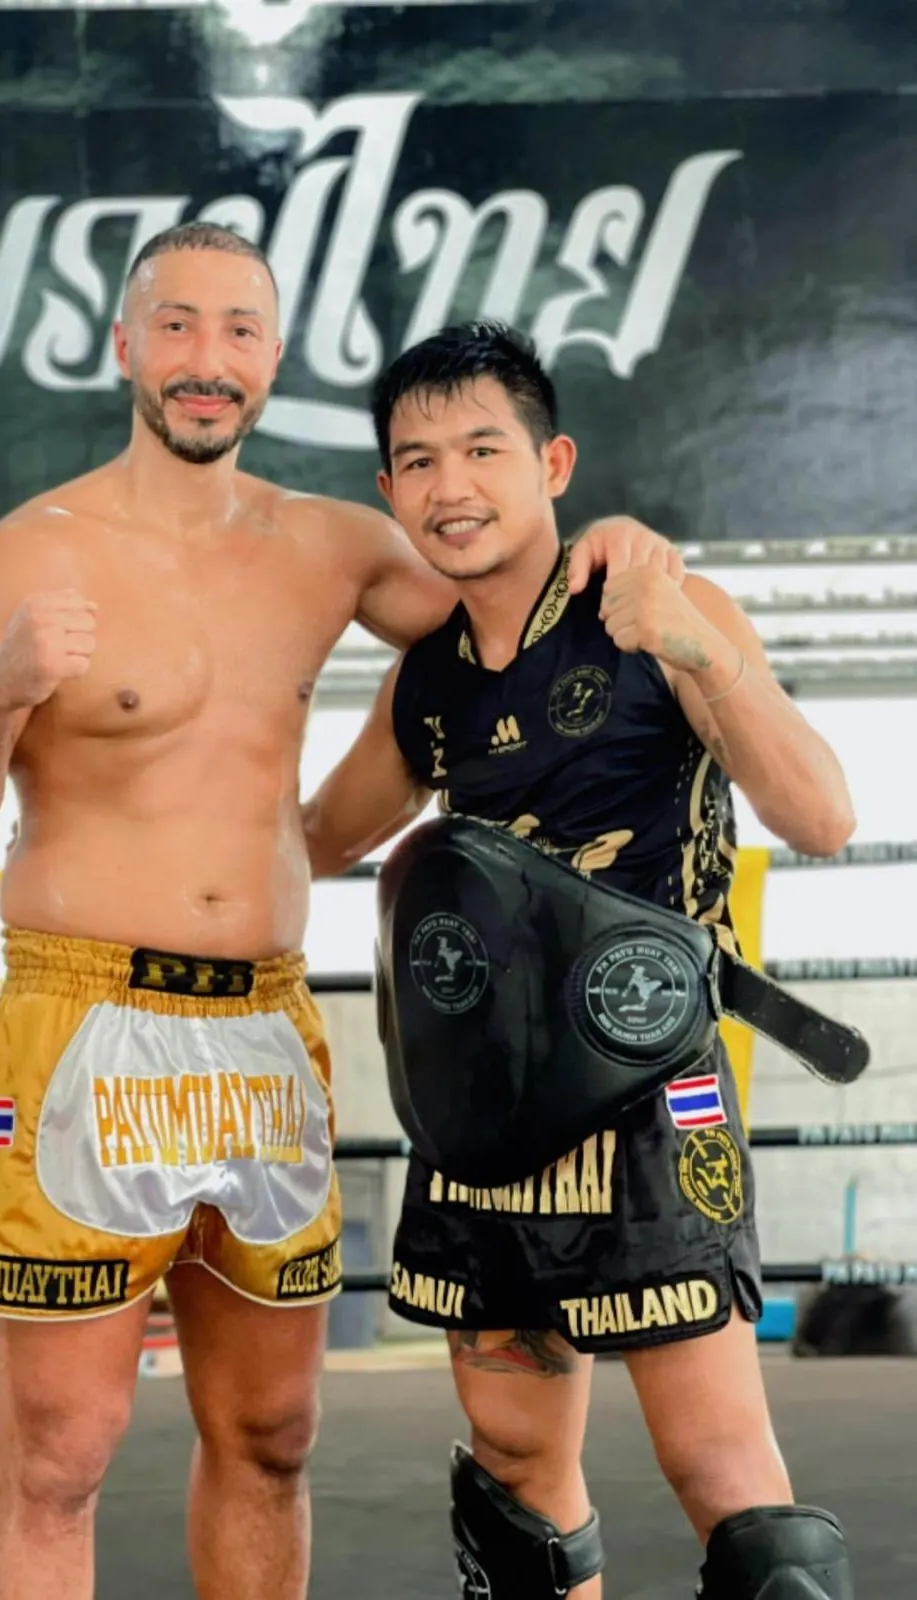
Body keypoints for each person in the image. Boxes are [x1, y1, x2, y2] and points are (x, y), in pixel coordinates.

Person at [0, 224, 685, 1600]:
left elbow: (509, 604)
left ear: (272, 358)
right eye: (179, 327)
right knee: (59, 1450)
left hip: (264, 1030)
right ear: (127, 346)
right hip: (84, 1019)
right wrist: (2, 684)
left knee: (270, 1434)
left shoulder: (332, 546)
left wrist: (621, 550)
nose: (208, 361)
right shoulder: (34, 550)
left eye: (240, 331)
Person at [300, 321, 858, 1599]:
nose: (451, 485)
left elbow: (821, 815)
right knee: (511, 1478)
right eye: (418, 460)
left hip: (652, 1099)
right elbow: (317, 837)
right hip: (486, 1110)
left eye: (482, 448)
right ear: (388, 494)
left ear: (550, 461)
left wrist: (691, 640)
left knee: (727, 1483)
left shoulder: (660, 608)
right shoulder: (428, 679)